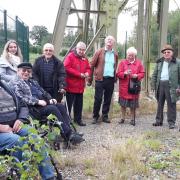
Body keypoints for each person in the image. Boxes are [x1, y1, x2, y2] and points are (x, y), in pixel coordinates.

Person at [10, 62, 84, 145]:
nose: (26, 72)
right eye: (24, 70)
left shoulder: (32, 82)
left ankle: (69, 132)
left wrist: (50, 98)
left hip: (42, 105)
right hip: (31, 109)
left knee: (60, 106)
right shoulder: (15, 83)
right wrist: (37, 101)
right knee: (52, 108)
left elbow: (43, 91)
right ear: (18, 71)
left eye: (28, 71)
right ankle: (68, 134)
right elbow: (20, 97)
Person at [0, 78, 56, 180]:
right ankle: (23, 176)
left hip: (15, 125)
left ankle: (49, 177)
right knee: (17, 141)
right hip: (2, 131)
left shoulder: (5, 86)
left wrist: (20, 119)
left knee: (36, 137)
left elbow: (22, 105)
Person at [88, 35, 118, 124]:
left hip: (110, 79)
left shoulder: (115, 54)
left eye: (111, 40)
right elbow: (92, 65)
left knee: (108, 99)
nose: (109, 41)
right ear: (105, 42)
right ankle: (95, 116)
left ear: (113, 43)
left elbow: (115, 66)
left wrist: (115, 78)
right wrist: (89, 79)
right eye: (108, 39)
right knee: (98, 99)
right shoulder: (99, 52)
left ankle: (105, 116)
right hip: (100, 79)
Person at [151, 44, 180, 129]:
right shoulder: (159, 62)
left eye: (168, 52)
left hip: (172, 86)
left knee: (171, 104)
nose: (166, 53)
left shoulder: (177, 62)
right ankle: (158, 121)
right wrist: (153, 85)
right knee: (160, 104)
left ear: (172, 53)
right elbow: (154, 75)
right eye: (164, 52)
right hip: (160, 84)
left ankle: (171, 122)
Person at [63, 41, 91, 126]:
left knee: (79, 104)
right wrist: (79, 74)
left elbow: (88, 68)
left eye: (83, 50)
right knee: (68, 104)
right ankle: (66, 120)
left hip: (80, 86)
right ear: (76, 48)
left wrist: (87, 73)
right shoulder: (70, 56)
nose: (82, 51)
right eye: (80, 49)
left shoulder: (85, 58)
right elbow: (66, 67)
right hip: (71, 85)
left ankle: (78, 119)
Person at [116, 47, 145, 125]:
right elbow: (118, 74)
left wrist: (137, 75)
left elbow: (142, 73)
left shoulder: (139, 63)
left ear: (135, 55)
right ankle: (122, 118)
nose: (130, 57)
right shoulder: (122, 62)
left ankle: (132, 119)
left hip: (134, 87)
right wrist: (124, 73)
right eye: (129, 55)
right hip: (124, 87)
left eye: (132, 55)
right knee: (123, 105)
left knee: (133, 105)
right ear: (127, 55)